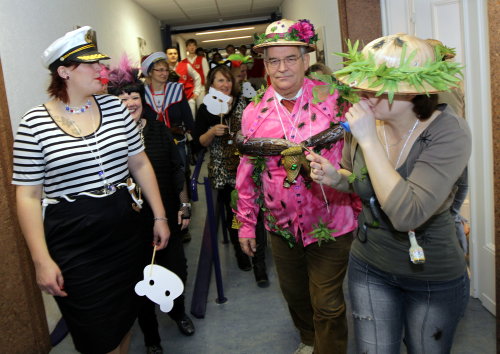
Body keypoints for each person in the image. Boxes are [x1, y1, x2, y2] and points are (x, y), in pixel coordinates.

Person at [307, 33, 470, 353]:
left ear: (411, 93)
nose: (360, 95)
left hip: (432, 277)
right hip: (370, 267)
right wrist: (336, 178)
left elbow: (407, 212)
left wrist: (368, 140)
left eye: (372, 88)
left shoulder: (449, 132)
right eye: (360, 85)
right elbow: (362, 183)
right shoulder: (368, 123)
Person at [12, 26, 170, 354]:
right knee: (97, 333)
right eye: (92, 65)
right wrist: (41, 260)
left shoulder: (115, 109)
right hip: (74, 238)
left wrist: (160, 215)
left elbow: (139, 164)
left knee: (125, 315)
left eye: (102, 63)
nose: (103, 70)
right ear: (64, 71)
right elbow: (27, 196)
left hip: (124, 229)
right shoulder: (33, 124)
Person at [235, 19, 360, 354]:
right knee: (295, 295)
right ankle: (308, 338)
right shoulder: (253, 114)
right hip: (280, 224)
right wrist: (244, 225)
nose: (282, 68)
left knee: (329, 303)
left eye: (291, 58)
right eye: (273, 60)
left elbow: (360, 154)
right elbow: (246, 174)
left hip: (332, 220)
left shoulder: (333, 101)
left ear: (306, 59)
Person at [108, 59, 195, 354]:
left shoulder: (159, 130)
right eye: (122, 97)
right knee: (141, 278)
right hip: (131, 224)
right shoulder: (109, 138)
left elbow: (176, 169)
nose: (129, 102)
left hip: (166, 214)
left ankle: (179, 313)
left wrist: (184, 206)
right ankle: (151, 337)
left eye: (134, 96)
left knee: (176, 269)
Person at [193, 64, 269, 285]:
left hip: (247, 168)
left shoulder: (244, 103)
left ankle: (260, 264)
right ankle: (240, 250)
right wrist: (210, 132)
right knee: (234, 217)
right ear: (211, 84)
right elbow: (198, 144)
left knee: (256, 215)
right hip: (223, 171)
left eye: (227, 80)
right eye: (219, 81)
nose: (225, 85)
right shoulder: (206, 109)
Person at [141, 52, 194, 243]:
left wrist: (192, 134)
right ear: (149, 72)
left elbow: (187, 114)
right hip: (152, 143)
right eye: (159, 70)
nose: (164, 73)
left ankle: (183, 219)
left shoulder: (176, 89)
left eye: (166, 70)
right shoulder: (142, 92)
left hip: (176, 140)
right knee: (156, 178)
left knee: (179, 177)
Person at [165, 46, 202, 118]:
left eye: (175, 53)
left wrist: (197, 92)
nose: (173, 55)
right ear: (166, 55)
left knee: (191, 120)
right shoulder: (164, 69)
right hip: (172, 101)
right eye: (170, 54)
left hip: (188, 98)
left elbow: (197, 77)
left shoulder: (186, 66)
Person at [183, 39, 209, 107]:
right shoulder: (183, 62)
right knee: (190, 111)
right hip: (188, 90)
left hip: (201, 89)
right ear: (186, 48)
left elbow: (207, 76)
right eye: (189, 45)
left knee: (201, 108)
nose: (192, 47)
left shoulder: (202, 59)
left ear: (196, 47)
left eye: (193, 45)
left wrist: (207, 90)